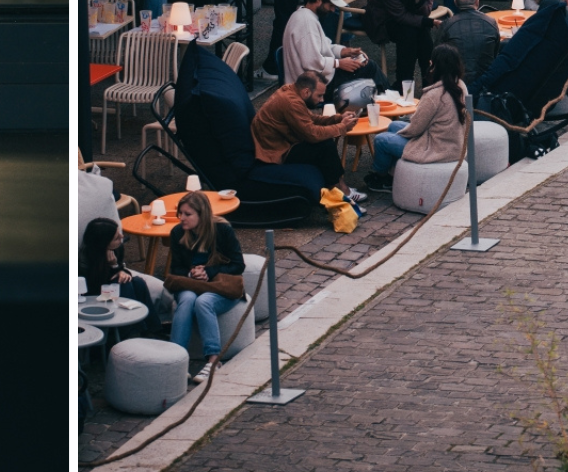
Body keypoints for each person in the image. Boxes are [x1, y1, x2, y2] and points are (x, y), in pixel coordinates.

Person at [475, 0, 568, 128]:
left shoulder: (549, 13)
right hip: (545, 81)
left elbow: (512, 55)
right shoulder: (559, 10)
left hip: (524, 93)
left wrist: (478, 85)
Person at [164, 191, 250, 383]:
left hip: (219, 286)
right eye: (181, 213)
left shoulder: (222, 230)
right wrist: (191, 273)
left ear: (201, 215)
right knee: (186, 299)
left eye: (187, 214)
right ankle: (177, 359)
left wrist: (209, 272)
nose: (182, 218)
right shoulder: (178, 232)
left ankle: (213, 360)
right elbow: (175, 268)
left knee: (203, 302)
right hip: (191, 284)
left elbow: (238, 264)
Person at [367, 40, 471, 189]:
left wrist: (401, 134)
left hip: (437, 149)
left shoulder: (434, 95)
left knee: (381, 140)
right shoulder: (460, 85)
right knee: (393, 125)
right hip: (452, 143)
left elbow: (415, 128)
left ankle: (381, 177)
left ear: (434, 65)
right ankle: (393, 173)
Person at [251, 70, 361, 209]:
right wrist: (341, 127)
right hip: (276, 152)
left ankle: (341, 188)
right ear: (306, 92)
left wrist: (338, 118)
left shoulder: (291, 92)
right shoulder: (291, 102)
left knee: (325, 144)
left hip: (285, 143)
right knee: (324, 145)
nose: (321, 100)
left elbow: (311, 119)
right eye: (319, 96)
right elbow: (312, 134)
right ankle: (341, 192)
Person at [281, 0, 378, 96]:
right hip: (310, 86)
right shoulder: (306, 22)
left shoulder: (306, 16)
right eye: (331, 5)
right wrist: (339, 63)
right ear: (318, 0)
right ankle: (390, 100)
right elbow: (311, 62)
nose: (332, 10)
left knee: (366, 67)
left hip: (314, 78)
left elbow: (322, 47)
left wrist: (344, 51)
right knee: (369, 68)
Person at [371, 0, 442, 89]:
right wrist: (428, 22)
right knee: (410, 32)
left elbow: (426, 11)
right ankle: (407, 83)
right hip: (386, 20)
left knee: (422, 34)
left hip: (412, 21)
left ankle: (424, 84)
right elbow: (400, 16)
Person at [80, 216, 167, 328]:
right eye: (116, 238)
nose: (122, 237)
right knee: (125, 284)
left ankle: (154, 327)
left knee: (138, 282)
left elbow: (121, 268)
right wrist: (114, 267)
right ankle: (136, 328)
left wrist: (118, 268)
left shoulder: (116, 249)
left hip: (112, 287)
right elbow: (93, 286)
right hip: (96, 295)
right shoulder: (83, 260)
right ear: (104, 243)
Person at [441, 0, 502, 87]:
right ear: (477, 2)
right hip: (485, 83)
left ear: (455, 2)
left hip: (456, 83)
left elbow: (438, 56)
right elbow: (495, 52)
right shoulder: (491, 22)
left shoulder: (447, 25)